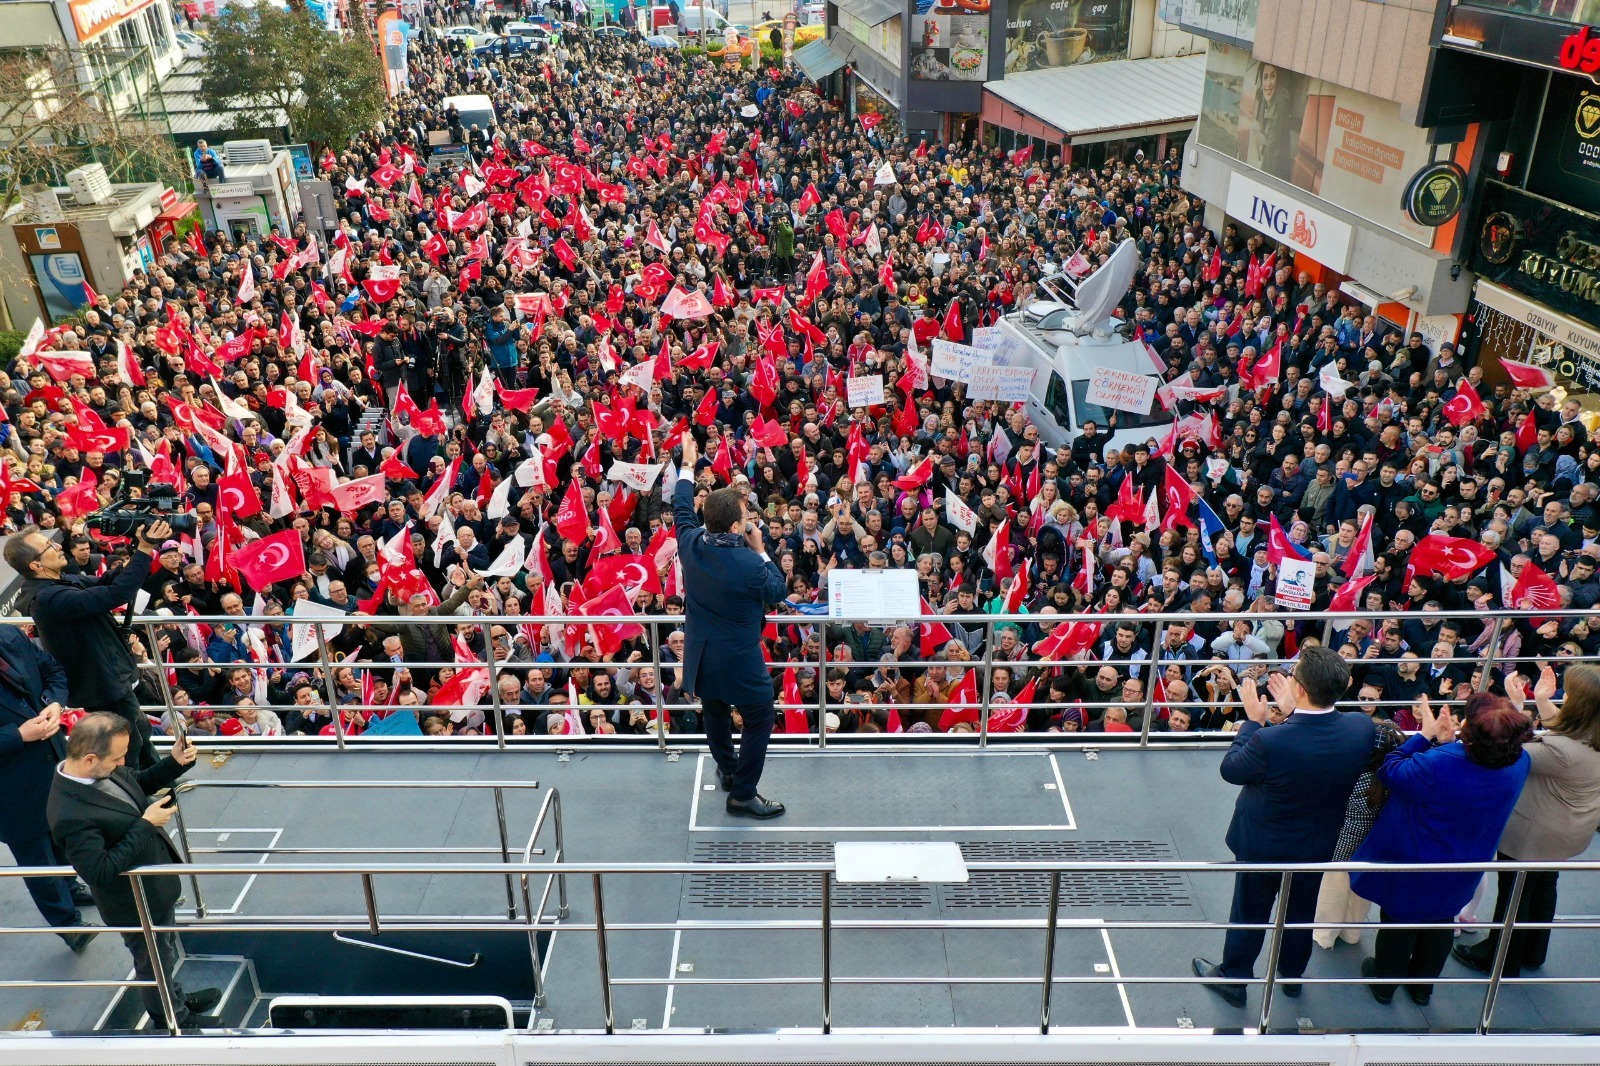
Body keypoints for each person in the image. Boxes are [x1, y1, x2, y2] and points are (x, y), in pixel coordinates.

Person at [1192, 647, 1376, 1008]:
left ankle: (1235, 977)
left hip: (1264, 845)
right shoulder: (1360, 727)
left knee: (1250, 910)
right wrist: (1296, 713)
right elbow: (1317, 735)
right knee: (1300, 912)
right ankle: (1291, 976)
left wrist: (1253, 721)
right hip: (1317, 843)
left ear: (1301, 689)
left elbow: (1232, 769)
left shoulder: (1269, 739)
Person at [1350, 693, 1531, 1005]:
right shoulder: (1520, 763)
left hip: (1416, 863)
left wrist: (1425, 735)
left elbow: (1391, 769)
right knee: (1442, 923)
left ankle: (1384, 984)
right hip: (1466, 864)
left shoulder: (1438, 764)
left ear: (1469, 734)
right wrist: (1450, 745)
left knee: (1399, 923)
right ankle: (1422, 989)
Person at [46, 713, 222, 1028]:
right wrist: (145, 825)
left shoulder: (101, 770)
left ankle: (176, 998)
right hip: (132, 903)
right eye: (117, 757)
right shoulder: (68, 813)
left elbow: (137, 784)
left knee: (164, 953)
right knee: (153, 964)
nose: (124, 761)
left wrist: (176, 762)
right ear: (89, 759)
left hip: (154, 888)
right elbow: (98, 872)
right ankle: (172, 1018)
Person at [1454, 663, 1600, 981]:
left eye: (1567, 693)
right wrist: (1543, 700)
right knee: (1544, 887)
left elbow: (1509, 750)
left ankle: (1499, 959)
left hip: (1535, 833)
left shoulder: (1562, 751)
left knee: (1514, 894)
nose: (1563, 695)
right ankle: (1533, 951)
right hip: (1569, 830)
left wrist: (1515, 708)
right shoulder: (1591, 734)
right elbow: (1565, 729)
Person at [674, 434, 789, 818]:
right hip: (740, 659)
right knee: (760, 717)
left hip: (702, 656)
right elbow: (778, 589)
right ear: (739, 527)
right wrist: (761, 550)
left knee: (716, 711)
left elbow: (680, 505)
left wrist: (687, 463)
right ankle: (742, 793)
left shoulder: (689, 542)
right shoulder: (750, 565)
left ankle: (727, 768)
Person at [9, 519, 175, 770]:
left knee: (139, 728)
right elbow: (115, 594)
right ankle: (133, 793)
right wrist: (143, 551)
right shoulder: (47, 598)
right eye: (48, 546)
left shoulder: (59, 581)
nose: (57, 545)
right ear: (36, 564)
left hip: (109, 674)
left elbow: (106, 582)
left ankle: (157, 779)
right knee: (127, 743)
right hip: (100, 682)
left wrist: (136, 549)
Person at [0, 626, 98, 950]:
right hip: (10, 787)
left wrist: (53, 703)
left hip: (53, 762)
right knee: (36, 858)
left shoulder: (11, 637)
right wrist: (18, 735)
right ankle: (69, 927)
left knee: (60, 834)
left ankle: (71, 886)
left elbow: (51, 669)